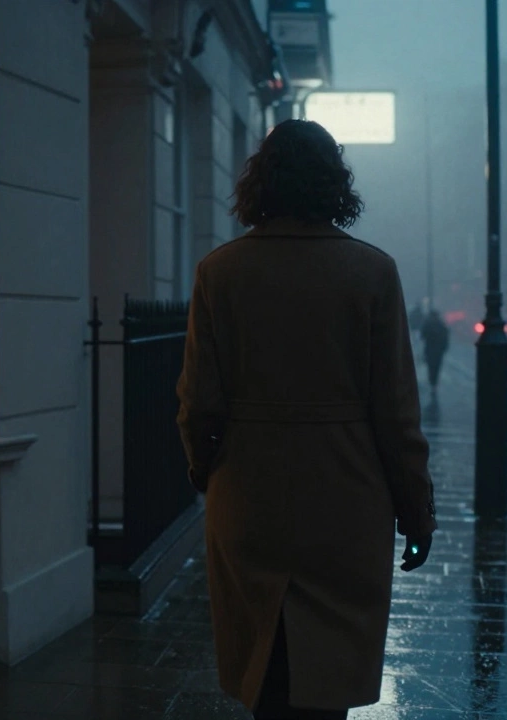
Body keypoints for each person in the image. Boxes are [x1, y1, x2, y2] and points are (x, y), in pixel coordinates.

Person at [175, 119, 436, 720]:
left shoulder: (220, 271)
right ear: (333, 183)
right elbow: (396, 411)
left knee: (262, 663)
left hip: (249, 491)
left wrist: (205, 469)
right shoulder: (372, 272)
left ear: (260, 184)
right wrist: (415, 509)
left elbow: (198, 400)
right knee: (327, 680)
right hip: (346, 498)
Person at [420, 309, 450, 395]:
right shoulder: (441, 325)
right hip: (439, 350)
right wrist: (444, 348)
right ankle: (434, 383)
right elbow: (445, 337)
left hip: (429, 349)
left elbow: (423, 336)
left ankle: (432, 381)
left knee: (430, 366)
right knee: (437, 366)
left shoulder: (427, 324)